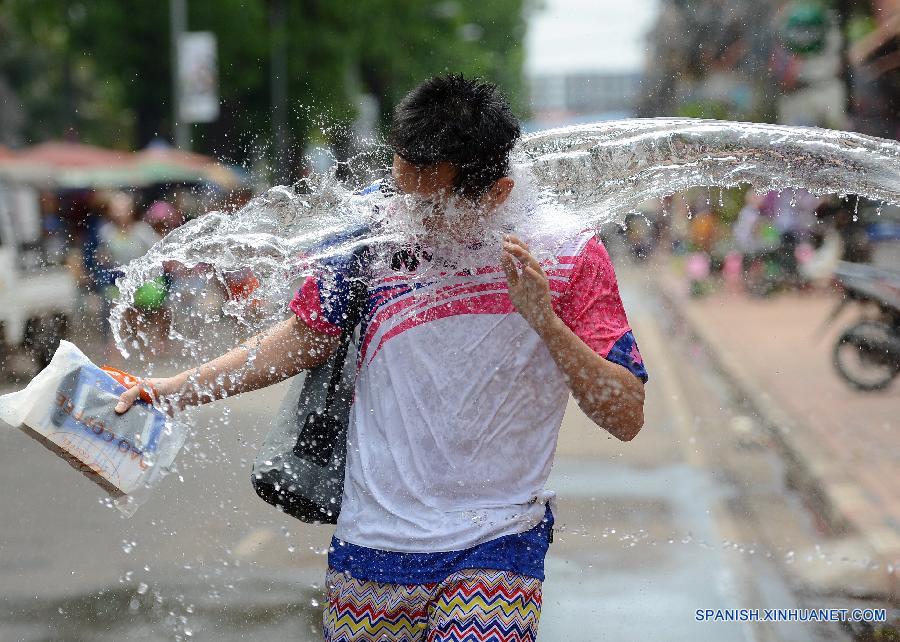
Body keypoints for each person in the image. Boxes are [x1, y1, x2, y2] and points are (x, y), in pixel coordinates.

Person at [115, 75, 648, 642]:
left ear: (496, 193)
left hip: (498, 543)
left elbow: (627, 414)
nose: (410, 216)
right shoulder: (372, 233)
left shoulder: (566, 254)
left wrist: (544, 321)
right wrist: (175, 389)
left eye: (432, 204)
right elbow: (302, 336)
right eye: (402, 189)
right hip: (370, 551)